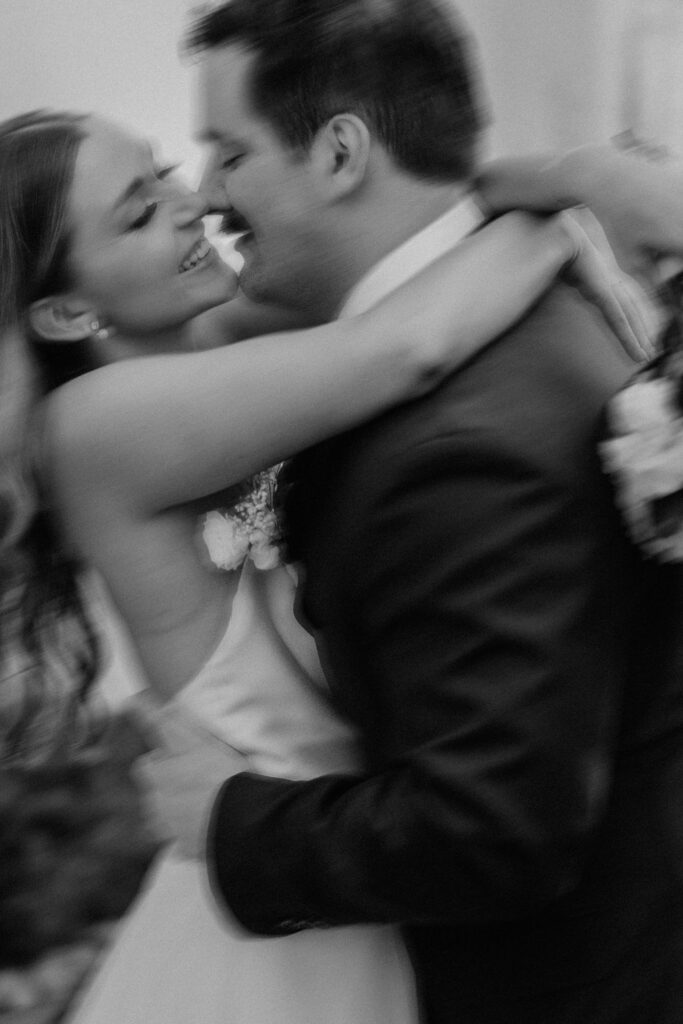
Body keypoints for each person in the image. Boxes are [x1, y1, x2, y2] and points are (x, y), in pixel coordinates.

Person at [0, 109, 623, 1023]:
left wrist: (566, 179)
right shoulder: (97, 426)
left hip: (363, 869)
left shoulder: (235, 337)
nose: (191, 205)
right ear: (66, 311)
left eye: (169, 176)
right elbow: (409, 343)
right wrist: (584, 199)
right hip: (292, 911)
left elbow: (416, 233)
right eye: (138, 215)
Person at [138, 3, 683, 1023]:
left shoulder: (460, 445)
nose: (204, 194)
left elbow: (492, 827)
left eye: (228, 152)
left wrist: (235, 820)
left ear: (341, 152)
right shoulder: (513, 308)